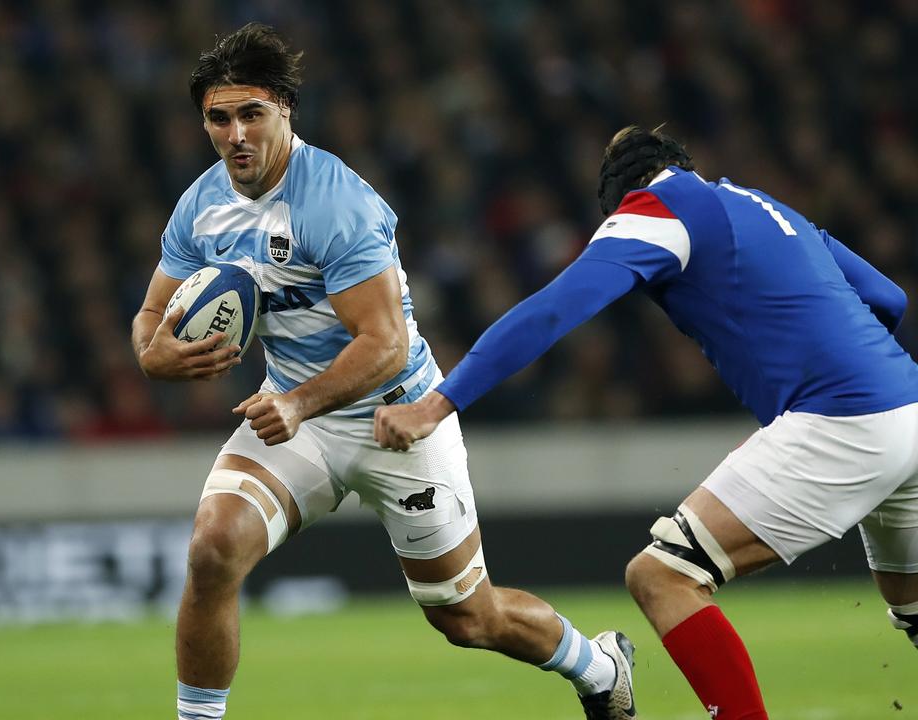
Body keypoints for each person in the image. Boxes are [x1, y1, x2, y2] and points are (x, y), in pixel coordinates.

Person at [132, 23, 636, 720]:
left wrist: (302, 403)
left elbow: (386, 344)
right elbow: (153, 314)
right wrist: (153, 354)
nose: (235, 134)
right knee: (213, 549)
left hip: (395, 417)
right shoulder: (202, 203)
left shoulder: (335, 201)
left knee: (468, 618)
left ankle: (600, 663)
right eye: (219, 118)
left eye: (252, 113)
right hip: (296, 421)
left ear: (284, 108)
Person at [375, 124, 918, 718]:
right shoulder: (761, 203)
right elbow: (888, 298)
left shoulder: (658, 209)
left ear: (618, 198)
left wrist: (439, 401)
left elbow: (555, 309)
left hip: (842, 417)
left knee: (661, 577)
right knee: (912, 605)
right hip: (908, 407)